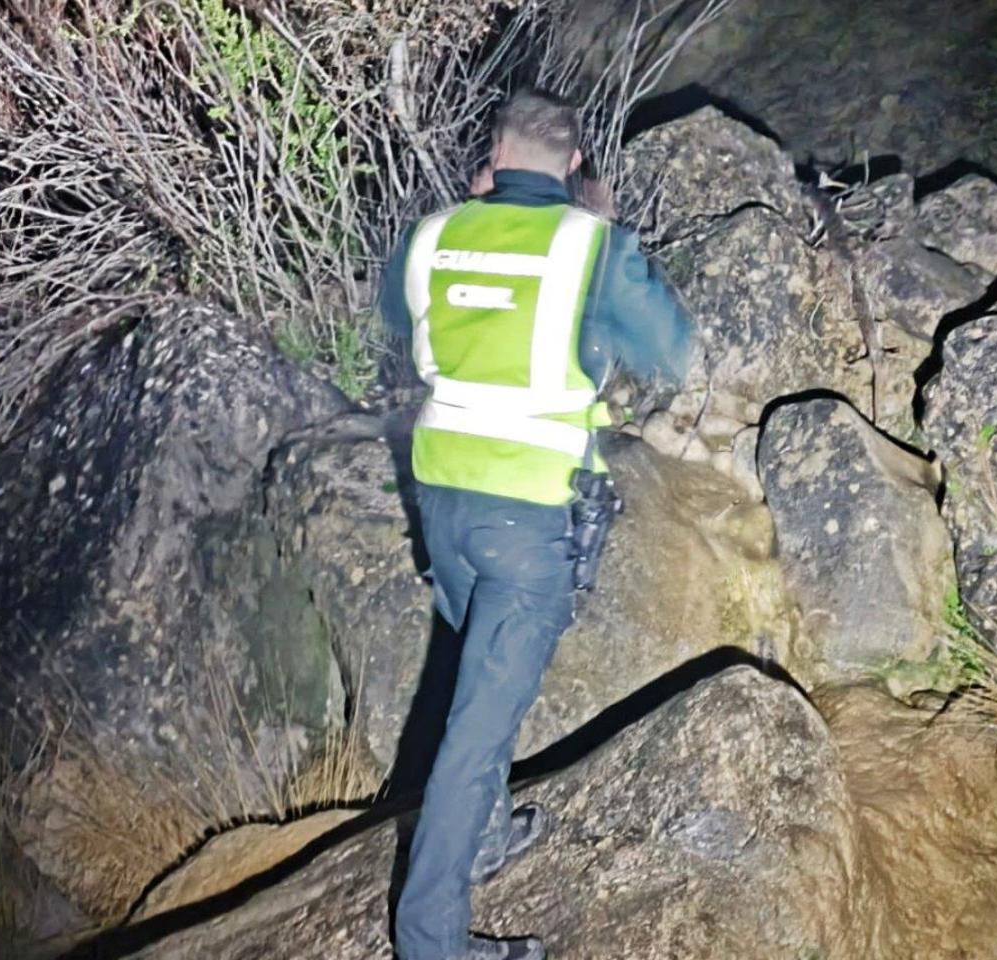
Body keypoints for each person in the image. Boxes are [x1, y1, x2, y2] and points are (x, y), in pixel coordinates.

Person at [377, 89, 693, 960]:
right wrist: (606, 240)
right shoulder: (590, 246)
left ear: (497, 152)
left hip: (442, 505)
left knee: (481, 687)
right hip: (530, 518)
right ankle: (429, 944)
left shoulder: (435, 235)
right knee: (473, 733)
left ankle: (482, 837)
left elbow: (397, 317)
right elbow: (671, 348)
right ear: (574, 161)